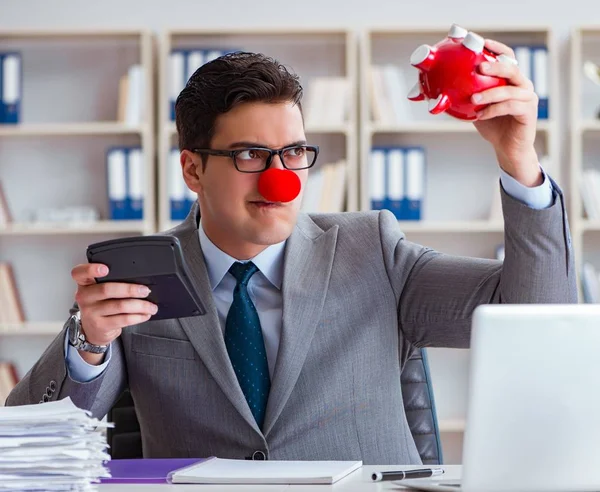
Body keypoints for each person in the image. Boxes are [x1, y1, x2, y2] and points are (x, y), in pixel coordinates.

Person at [7, 43, 577, 465]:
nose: (281, 179)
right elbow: (33, 441)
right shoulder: (141, 273)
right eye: (252, 154)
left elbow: (538, 312)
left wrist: (518, 159)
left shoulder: (371, 249)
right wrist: (89, 343)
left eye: (295, 152)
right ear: (192, 169)